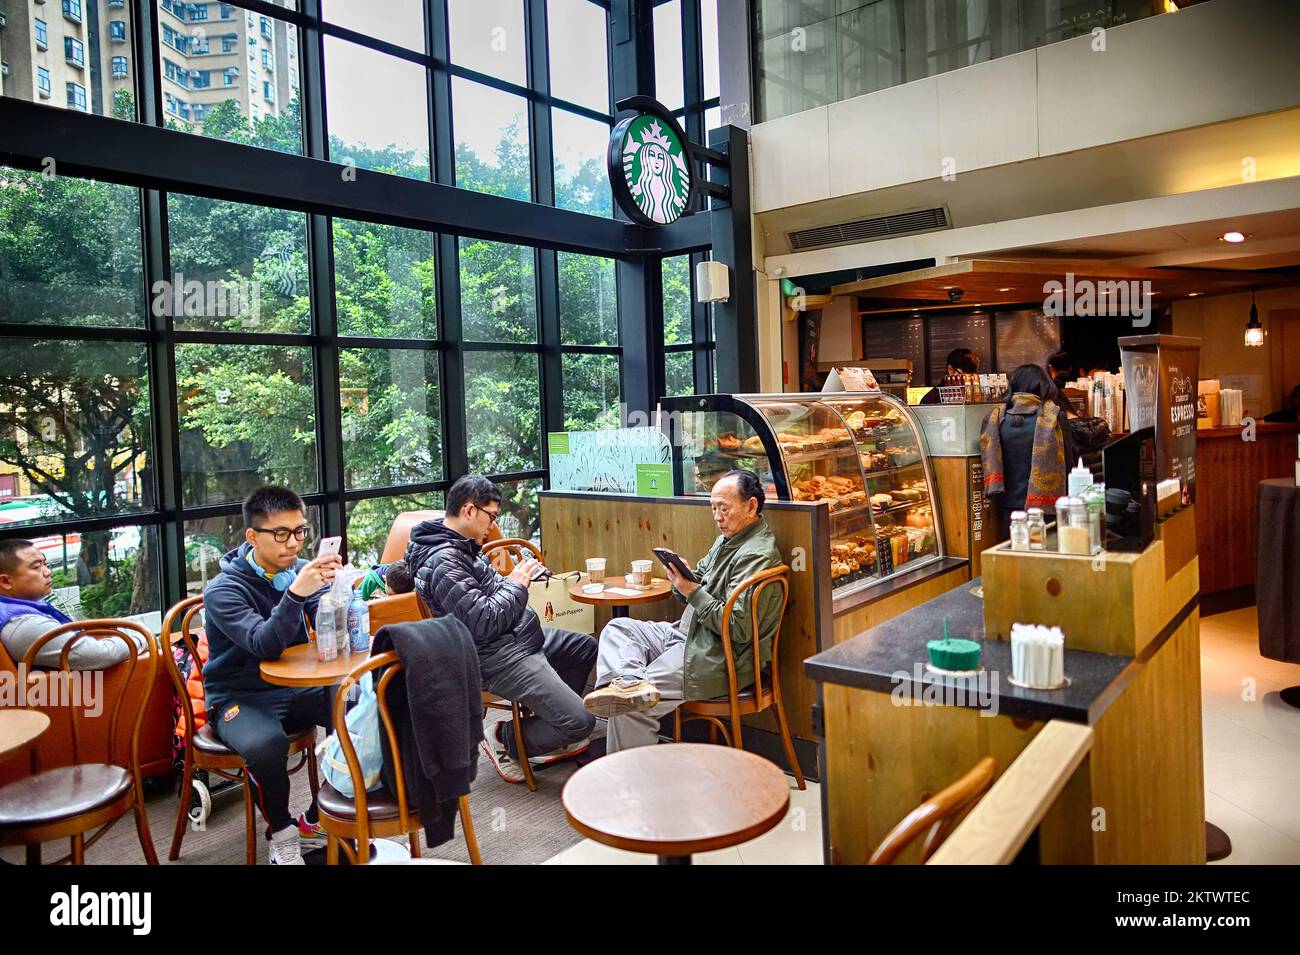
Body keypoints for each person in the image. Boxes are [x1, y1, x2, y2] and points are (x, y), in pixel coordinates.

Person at [406, 475, 597, 784]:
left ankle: (546, 726)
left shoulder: (461, 545)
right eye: (491, 517)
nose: (493, 526)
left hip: (518, 639)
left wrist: (520, 580)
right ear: (469, 511)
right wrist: (517, 584)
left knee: (584, 647)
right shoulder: (444, 562)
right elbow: (484, 621)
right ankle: (506, 738)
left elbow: (494, 593)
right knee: (582, 721)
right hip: (496, 658)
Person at [583, 469, 784, 753]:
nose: (717, 517)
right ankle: (629, 683)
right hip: (686, 635)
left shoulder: (756, 554)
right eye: (713, 508)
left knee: (629, 709)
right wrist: (680, 579)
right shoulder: (729, 539)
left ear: (751, 506)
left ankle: (630, 789)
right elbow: (697, 584)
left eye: (724, 508)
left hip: (716, 655)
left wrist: (691, 590)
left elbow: (737, 628)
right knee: (619, 628)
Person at [202, 485, 343, 865]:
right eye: (281, 534)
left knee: (363, 706)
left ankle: (316, 819)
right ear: (252, 536)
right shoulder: (223, 590)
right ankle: (281, 832)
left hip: (296, 686)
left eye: (299, 531)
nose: (294, 543)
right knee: (266, 745)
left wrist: (337, 591)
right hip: (240, 696)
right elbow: (263, 644)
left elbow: (325, 624)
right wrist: (296, 594)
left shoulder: (297, 571)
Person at [0, 539, 142, 669]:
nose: (48, 572)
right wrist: (141, 640)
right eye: (36, 567)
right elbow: (96, 655)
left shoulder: (13, 610)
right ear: (5, 581)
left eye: (45, 564)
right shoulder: (23, 624)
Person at [980, 364, 1074, 541]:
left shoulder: (997, 419)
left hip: (1009, 515)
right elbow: (1068, 466)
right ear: (1044, 385)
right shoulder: (1055, 417)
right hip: (1047, 515)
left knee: (1012, 565)